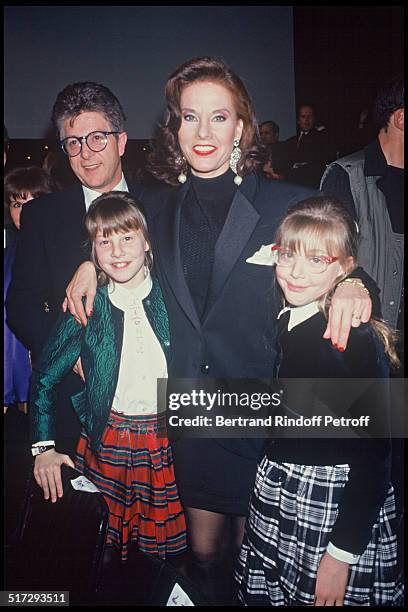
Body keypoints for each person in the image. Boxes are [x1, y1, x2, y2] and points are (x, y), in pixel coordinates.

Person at [64, 57, 374, 603]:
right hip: (191, 409)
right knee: (205, 556)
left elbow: (342, 251)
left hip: (265, 410)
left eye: (218, 117)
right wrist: (88, 262)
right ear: (174, 127)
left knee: (263, 555)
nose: (203, 132)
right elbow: (111, 236)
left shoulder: (287, 202)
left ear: (241, 128)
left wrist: (355, 283)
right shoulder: (155, 208)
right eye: (190, 117)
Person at [235, 196, 401, 606]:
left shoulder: (346, 340)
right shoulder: (294, 314)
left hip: (329, 502)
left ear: (345, 270)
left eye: (317, 261)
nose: (295, 272)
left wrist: (341, 554)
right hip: (286, 485)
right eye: (288, 255)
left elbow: (374, 456)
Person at [30, 191, 186, 563]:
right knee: (101, 549)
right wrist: (42, 448)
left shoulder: (175, 293)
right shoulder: (87, 304)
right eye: (105, 242)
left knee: (163, 556)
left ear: (147, 241)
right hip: (108, 441)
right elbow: (44, 378)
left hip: (169, 443)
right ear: (93, 252)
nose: (117, 251)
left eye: (127, 237)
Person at [6, 81, 143, 454]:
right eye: (73, 142)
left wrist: (91, 263)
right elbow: (21, 306)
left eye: (97, 137)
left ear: (122, 141)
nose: (86, 154)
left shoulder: (162, 203)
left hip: (157, 400)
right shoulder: (41, 215)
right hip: (75, 403)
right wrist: (70, 355)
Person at [4, 166, 56, 414]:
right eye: (17, 204)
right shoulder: (9, 251)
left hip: (45, 363)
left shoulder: (57, 248)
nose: (25, 212)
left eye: (32, 202)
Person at [283, 103, 330, 188]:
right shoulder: (290, 141)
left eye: (310, 116)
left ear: (314, 119)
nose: (307, 120)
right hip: (291, 184)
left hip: (311, 182)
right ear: (298, 120)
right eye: (303, 117)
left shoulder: (322, 138)